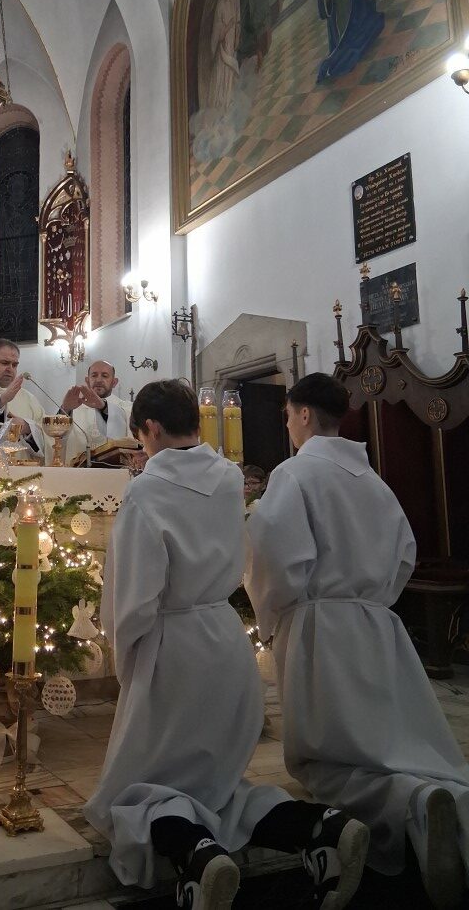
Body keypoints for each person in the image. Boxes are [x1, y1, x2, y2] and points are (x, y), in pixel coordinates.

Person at [84, 380, 368, 910]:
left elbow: (133, 593)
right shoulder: (228, 477)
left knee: (136, 795)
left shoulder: (147, 490)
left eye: (140, 438)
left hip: (172, 646)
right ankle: (320, 828)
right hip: (225, 639)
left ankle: (197, 857)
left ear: (150, 429)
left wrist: (125, 658)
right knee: (216, 790)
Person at [246, 373, 469, 909]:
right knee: (392, 745)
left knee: (326, 762)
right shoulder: (373, 481)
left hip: (320, 629)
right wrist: (374, 600)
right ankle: (444, 798)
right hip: (376, 624)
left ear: (302, 414)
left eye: (288, 415)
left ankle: (411, 803)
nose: (289, 425)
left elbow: (275, 557)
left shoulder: (296, 473)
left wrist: (270, 614)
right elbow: (404, 553)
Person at [60, 360, 132, 465]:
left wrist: (104, 407)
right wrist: (65, 409)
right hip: (77, 472)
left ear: (114, 382)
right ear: (87, 380)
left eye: (105, 376)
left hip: (115, 472)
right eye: (94, 375)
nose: (98, 380)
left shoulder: (126, 408)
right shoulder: (74, 410)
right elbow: (54, 439)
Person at [209, 0, 241, 112]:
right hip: (224, 42)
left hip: (232, 38)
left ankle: (229, 101)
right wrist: (228, 26)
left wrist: (237, 35)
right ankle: (222, 103)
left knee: (231, 69)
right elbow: (218, 28)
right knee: (224, 68)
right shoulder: (221, 1)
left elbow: (238, 17)